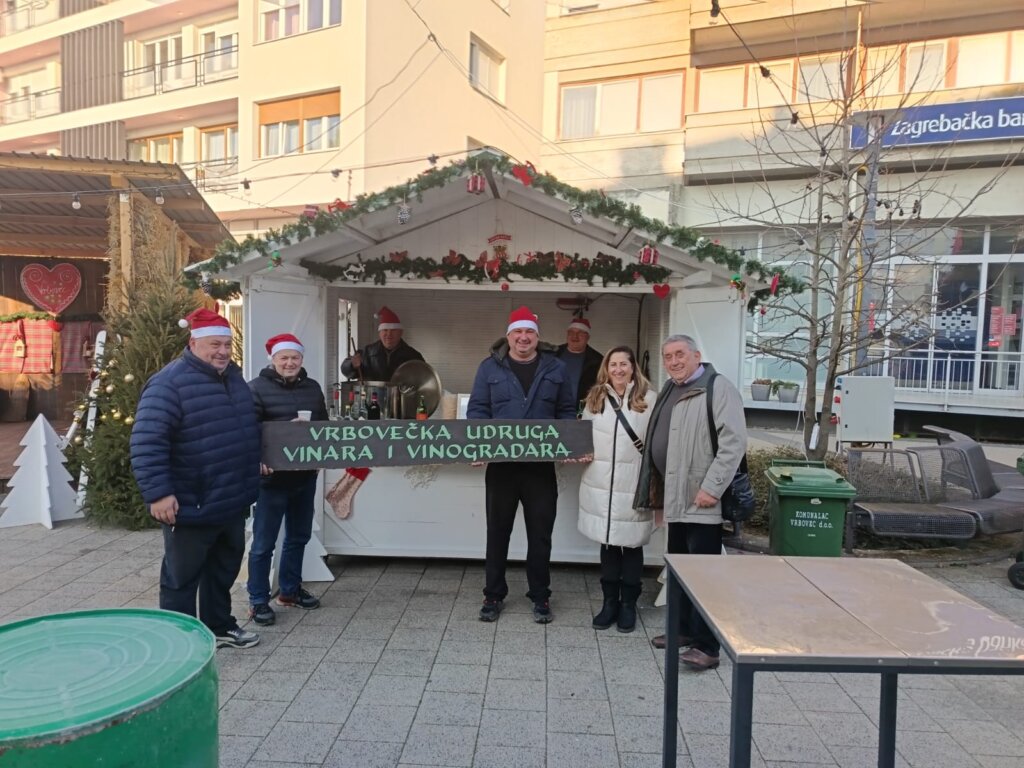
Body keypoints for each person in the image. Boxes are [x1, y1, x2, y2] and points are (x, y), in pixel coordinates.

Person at [130, 308, 261, 649]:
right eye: (214, 344)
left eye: (227, 344)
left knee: (222, 571)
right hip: (192, 502)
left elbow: (244, 427)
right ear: (193, 343)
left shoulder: (233, 377)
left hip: (230, 500)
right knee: (181, 577)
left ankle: (218, 626)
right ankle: (180, 639)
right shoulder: (168, 384)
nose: (222, 351)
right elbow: (147, 441)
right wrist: (158, 493)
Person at [633, 334, 746, 671]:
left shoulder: (718, 387)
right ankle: (683, 630)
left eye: (680, 354)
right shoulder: (671, 387)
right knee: (680, 569)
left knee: (704, 575)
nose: (674, 361)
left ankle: (708, 646)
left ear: (697, 355)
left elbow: (733, 442)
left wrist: (712, 487)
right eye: (668, 356)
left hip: (702, 498)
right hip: (676, 497)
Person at [468, 305, 577, 624]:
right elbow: (477, 412)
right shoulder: (489, 368)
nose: (523, 337)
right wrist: (478, 446)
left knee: (541, 534)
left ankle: (540, 597)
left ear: (537, 336)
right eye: (518, 331)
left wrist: (568, 443)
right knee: (497, 532)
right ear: (509, 335)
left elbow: (567, 412)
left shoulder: (556, 369)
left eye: (529, 332)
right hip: (501, 467)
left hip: (540, 468)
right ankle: (493, 594)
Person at [246, 333, 329, 627]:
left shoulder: (313, 388)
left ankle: (290, 591)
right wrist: (263, 457)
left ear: (301, 359)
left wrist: (321, 458)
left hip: (304, 477)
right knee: (263, 542)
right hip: (271, 480)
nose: (290, 363)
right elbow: (250, 430)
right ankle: (258, 600)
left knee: (298, 536)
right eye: (284, 358)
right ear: (273, 359)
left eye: (295, 358)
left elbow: (323, 427)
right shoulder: (255, 389)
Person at [577, 346, 657, 634]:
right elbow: (583, 435)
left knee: (632, 545)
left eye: (624, 364)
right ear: (606, 368)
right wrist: (580, 452)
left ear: (633, 368)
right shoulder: (595, 398)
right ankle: (609, 602)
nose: (619, 369)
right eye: (613, 364)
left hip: (633, 484)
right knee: (609, 544)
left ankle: (628, 605)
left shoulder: (649, 399)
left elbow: (656, 444)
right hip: (600, 483)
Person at [340, 305, 424, 381]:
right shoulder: (367, 353)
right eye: (385, 330)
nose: (389, 334)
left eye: (393, 330)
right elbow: (346, 371)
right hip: (373, 397)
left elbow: (423, 378)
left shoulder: (413, 356)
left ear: (401, 332)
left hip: (402, 398)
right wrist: (351, 365)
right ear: (379, 333)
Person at [556, 316, 603, 411]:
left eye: (580, 333)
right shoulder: (554, 354)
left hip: (583, 412)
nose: (575, 336)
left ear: (588, 337)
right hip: (555, 411)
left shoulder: (598, 360)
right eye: (571, 332)